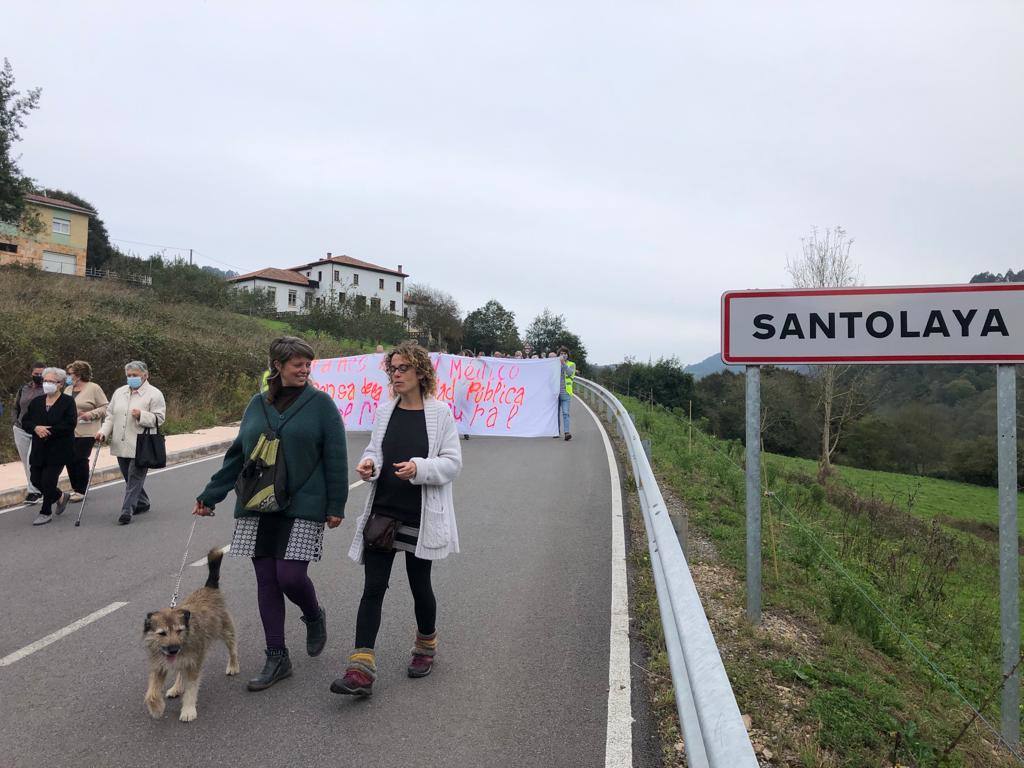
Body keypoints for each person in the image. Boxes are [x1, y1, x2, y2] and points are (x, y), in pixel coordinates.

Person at [193, 337, 348, 692]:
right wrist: (210, 495)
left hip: (304, 503)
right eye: (297, 364)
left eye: (308, 365)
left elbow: (336, 457)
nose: (305, 370)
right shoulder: (256, 405)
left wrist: (336, 505)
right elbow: (237, 456)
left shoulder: (321, 405)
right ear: (277, 365)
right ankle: (277, 656)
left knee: (290, 576)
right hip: (256, 503)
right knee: (266, 580)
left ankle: (313, 615)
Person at [332, 341, 463, 698]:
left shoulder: (440, 414)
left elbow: (452, 463)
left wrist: (419, 468)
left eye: (403, 368)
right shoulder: (384, 410)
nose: (396, 374)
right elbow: (375, 449)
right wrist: (369, 465)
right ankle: (360, 670)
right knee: (373, 588)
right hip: (384, 512)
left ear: (421, 372)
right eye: (392, 369)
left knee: (420, 585)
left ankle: (425, 647)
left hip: (421, 516)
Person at [96, 361, 167, 525]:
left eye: (135, 375)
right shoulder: (119, 393)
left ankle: (126, 510)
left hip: (141, 444)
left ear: (145, 375)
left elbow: (160, 419)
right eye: (129, 375)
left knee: (135, 477)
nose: (131, 378)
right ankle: (142, 502)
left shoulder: (154, 394)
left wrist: (142, 415)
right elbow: (111, 416)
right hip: (121, 443)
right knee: (129, 477)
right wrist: (103, 432)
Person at [21, 367, 76, 526]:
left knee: (48, 481)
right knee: (35, 480)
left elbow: (70, 423)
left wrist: (48, 431)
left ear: (59, 384)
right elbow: (26, 421)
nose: (47, 384)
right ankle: (60, 496)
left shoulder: (67, 401)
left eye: (51, 381)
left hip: (58, 449)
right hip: (39, 448)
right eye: (45, 381)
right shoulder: (37, 402)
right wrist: (35, 428)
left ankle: (45, 512)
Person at [64, 361, 108, 502]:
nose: (68, 377)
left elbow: (105, 407)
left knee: (80, 458)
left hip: (88, 430)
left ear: (79, 374)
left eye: (70, 374)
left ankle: (81, 490)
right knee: (69, 459)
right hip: (70, 430)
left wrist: (91, 414)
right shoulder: (68, 389)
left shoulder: (93, 388)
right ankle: (75, 488)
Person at [11, 362, 46, 504]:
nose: (38, 376)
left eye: (41, 374)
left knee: (34, 459)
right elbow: (16, 406)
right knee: (26, 461)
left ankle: (37, 490)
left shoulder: (48, 389)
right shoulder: (23, 389)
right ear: (31, 374)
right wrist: (15, 421)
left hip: (38, 429)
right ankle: (34, 490)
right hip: (21, 428)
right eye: (36, 374)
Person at [555, 346, 576, 441]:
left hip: (566, 392)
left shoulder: (572, 364)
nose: (563, 355)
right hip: (555, 392)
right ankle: (556, 431)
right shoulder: (554, 364)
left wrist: (563, 363)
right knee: (555, 413)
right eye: (561, 354)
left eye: (565, 354)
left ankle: (567, 432)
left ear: (568, 355)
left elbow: (570, 373)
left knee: (565, 413)